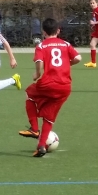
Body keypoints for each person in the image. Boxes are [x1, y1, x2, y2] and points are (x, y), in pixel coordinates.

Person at [19, 18, 81, 157]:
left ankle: (34, 128)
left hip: (48, 83)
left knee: (29, 94)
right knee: (49, 117)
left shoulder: (41, 46)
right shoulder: (65, 44)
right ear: (58, 31)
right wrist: (67, 64)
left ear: (43, 32)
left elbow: (39, 61)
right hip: (65, 87)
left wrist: (37, 73)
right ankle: (41, 146)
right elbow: (78, 58)